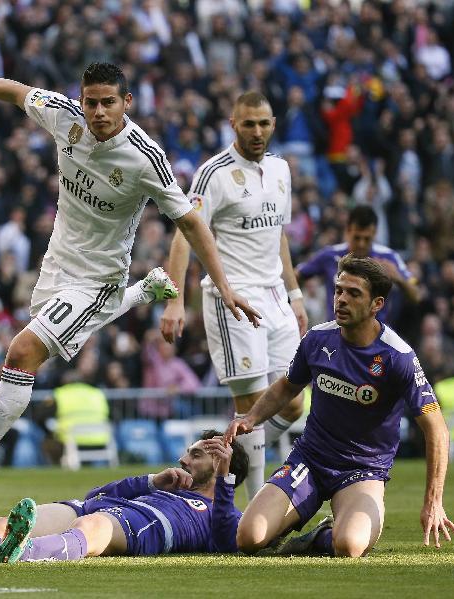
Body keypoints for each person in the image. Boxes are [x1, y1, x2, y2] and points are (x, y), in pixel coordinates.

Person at [0, 62, 260, 490]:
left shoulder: (145, 157)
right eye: (90, 102)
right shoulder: (63, 115)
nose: (97, 112)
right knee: (42, 349)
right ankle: (139, 292)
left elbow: (190, 222)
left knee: (22, 353)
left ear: (126, 102)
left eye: (108, 102)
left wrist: (224, 286)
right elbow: (17, 90)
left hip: (97, 278)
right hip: (56, 265)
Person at [225, 254, 454, 557]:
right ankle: (285, 523)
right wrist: (251, 418)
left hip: (363, 469)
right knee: (248, 538)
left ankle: (320, 536)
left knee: (349, 546)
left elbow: (436, 429)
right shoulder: (317, 339)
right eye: (338, 290)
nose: (341, 300)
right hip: (309, 460)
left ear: (377, 304)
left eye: (353, 293)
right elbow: (286, 386)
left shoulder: (397, 357)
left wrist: (434, 500)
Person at [161, 91, 307, 499]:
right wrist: (174, 300)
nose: (256, 131)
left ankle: (231, 451)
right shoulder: (214, 173)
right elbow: (184, 234)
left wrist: (294, 293)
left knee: (293, 401)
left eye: (263, 124)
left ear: (273, 124)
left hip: (276, 296)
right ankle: (255, 507)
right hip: (233, 301)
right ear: (233, 125)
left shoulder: (281, 170)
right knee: (252, 407)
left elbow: (279, 234)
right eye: (248, 124)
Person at [0, 430, 248, 563]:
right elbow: (96, 494)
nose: (184, 459)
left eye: (197, 454)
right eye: (189, 451)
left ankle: (21, 554)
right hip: (105, 508)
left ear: (222, 465)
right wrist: (150, 481)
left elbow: (225, 542)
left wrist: (226, 480)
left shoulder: (225, 510)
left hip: (143, 528)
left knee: (92, 526)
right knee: (7, 522)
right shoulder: (167, 485)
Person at [296, 205, 419, 323]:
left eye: (367, 239)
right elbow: (296, 275)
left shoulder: (388, 257)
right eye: (357, 237)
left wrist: (398, 278)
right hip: (336, 335)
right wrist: (295, 299)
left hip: (375, 339)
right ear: (348, 230)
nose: (361, 244)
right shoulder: (329, 255)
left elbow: (416, 295)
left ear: (374, 233)